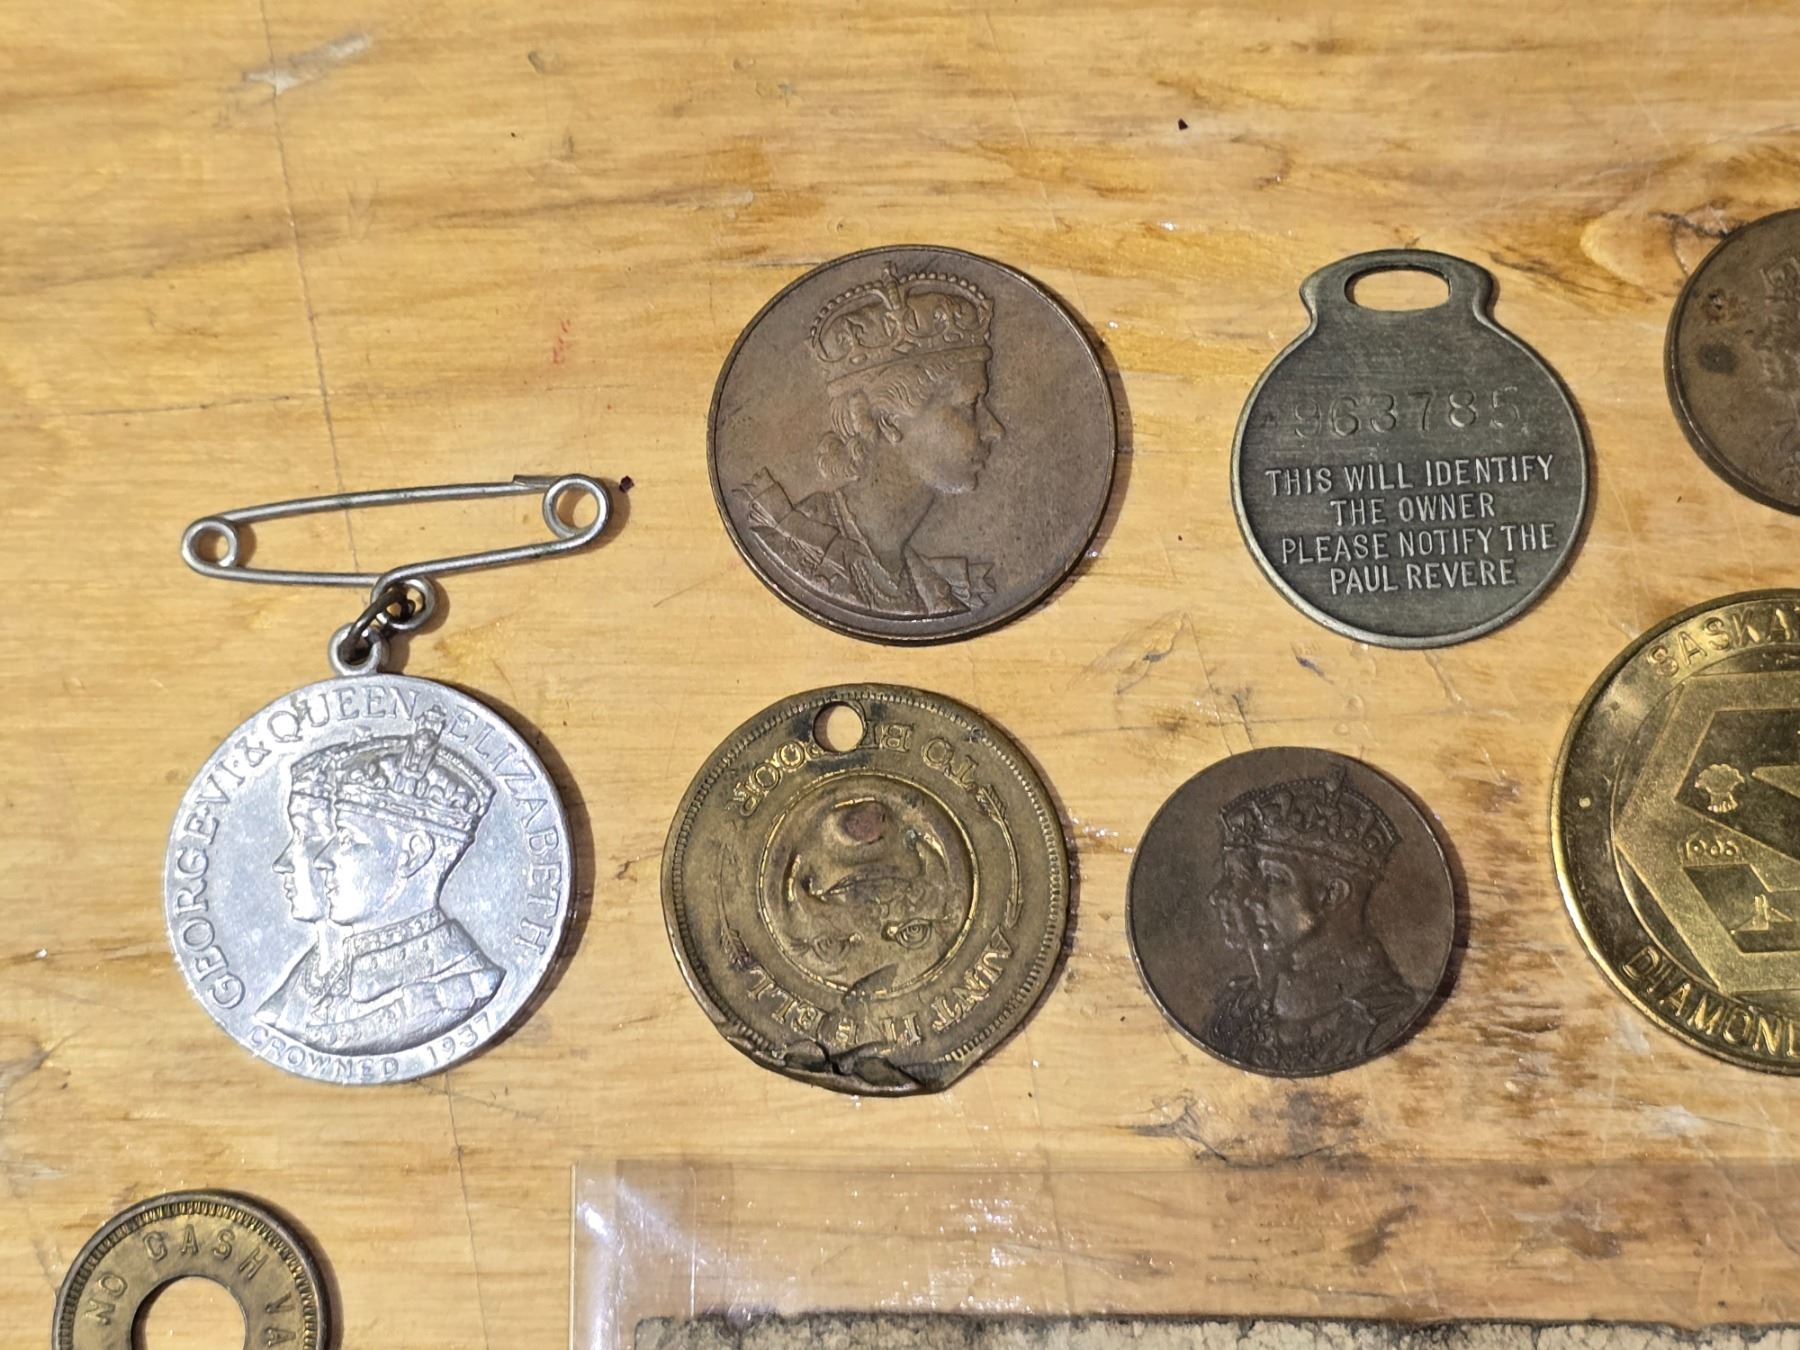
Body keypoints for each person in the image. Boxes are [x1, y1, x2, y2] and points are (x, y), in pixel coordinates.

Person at [737, 265, 1003, 617]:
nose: (994, 429)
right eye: (969, 406)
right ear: (889, 421)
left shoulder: (929, 583)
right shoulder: (795, 544)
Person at [255, 708, 503, 1056]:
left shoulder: (459, 986)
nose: (324, 859)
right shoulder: (310, 984)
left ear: (413, 854)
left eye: (347, 839)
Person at [1202, 772, 1418, 1071]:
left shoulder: (1392, 1020)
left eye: (1274, 879)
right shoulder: (1239, 1010)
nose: (1253, 900)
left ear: (1332, 894)